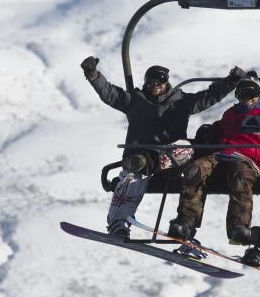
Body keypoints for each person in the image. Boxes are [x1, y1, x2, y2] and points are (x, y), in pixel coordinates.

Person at [81, 56, 245, 238]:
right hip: (141, 165)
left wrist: (232, 80)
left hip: (170, 163)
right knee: (130, 178)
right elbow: (110, 93)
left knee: (186, 148)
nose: (156, 85)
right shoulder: (135, 101)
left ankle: (151, 161)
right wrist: (93, 75)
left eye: (161, 80)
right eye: (151, 81)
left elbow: (208, 97)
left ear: (167, 82)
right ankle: (118, 224)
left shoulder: (181, 101)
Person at [168, 65, 260, 266]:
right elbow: (220, 128)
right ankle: (186, 221)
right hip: (223, 156)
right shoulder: (232, 114)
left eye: (251, 93)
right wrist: (209, 131)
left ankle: (238, 227)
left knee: (239, 176)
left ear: (258, 94)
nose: (247, 98)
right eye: (242, 93)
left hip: (247, 160)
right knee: (194, 169)